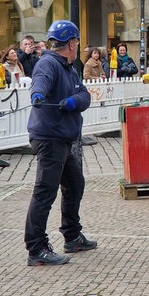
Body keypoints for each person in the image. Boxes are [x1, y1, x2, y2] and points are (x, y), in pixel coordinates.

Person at [25, 20, 95, 266]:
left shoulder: (69, 67)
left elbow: (85, 94)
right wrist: (38, 95)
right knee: (45, 192)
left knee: (75, 184)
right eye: (77, 41)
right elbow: (40, 81)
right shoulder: (49, 63)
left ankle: (72, 236)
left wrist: (75, 100)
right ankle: (36, 249)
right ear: (72, 42)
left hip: (63, 138)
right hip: (50, 138)